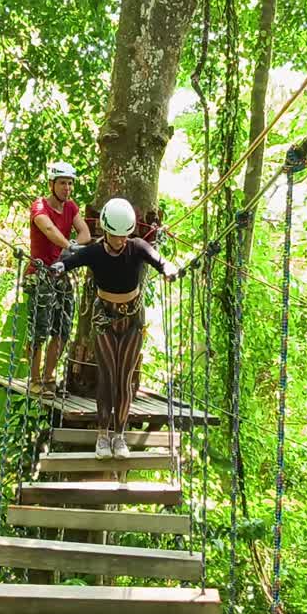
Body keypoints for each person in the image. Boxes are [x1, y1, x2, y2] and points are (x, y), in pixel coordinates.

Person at [49, 197, 178, 460]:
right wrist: (58, 266)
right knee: (108, 376)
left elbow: (158, 259)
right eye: (115, 236)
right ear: (106, 231)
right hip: (103, 318)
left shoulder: (137, 247)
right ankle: (102, 435)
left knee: (124, 378)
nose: (120, 241)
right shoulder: (95, 252)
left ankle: (119, 436)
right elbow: (71, 261)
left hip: (132, 320)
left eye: (124, 236)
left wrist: (168, 268)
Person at [26, 161, 91, 397]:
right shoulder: (39, 206)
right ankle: (34, 379)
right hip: (40, 273)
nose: (67, 188)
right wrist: (69, 247)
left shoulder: (71, 208)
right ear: (52, 184)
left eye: (70, 183)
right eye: (63, 183)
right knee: (39, 329)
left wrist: (71, 247)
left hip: (61, 272)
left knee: (62, 328)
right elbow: (49, 230)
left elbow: (85, 233)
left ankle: (49, 378)